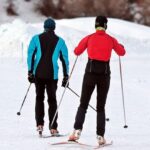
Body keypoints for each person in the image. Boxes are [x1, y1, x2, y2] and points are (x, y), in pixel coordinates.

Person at [69, 16, 126, 145]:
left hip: (90, 74)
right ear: (105, 26)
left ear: (95, 25)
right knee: (100, 107)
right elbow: (121, 52)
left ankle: (77, 130)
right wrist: (120, 46)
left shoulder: (89, 38)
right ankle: (100, 136)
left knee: (83, 103)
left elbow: (77, 52)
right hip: (104, 76)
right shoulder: (111, 40)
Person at [27, 18, 69, 135]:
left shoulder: (35, 38)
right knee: (52, 100)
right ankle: (53, 127)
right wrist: (66, 76)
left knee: (39, 98)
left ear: (44, 27)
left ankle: (39, 125)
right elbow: (64, 59)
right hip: (52, 75)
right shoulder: (60, 41)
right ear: (54, 28)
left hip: (38, 74)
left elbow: (30, 55)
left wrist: (30, 71)